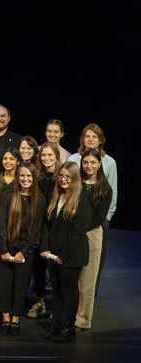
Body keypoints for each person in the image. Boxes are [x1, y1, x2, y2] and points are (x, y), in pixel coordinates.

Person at [40, 162, 91, 343]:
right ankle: (57, 325)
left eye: (67, 176)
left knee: (69, 293)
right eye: (61, 175)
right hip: (53, 255)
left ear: (75, 178)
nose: (63, 179)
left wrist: (63, 254)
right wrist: (45, 248)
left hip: (71, 256)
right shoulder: (55, 196)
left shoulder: (81, 200)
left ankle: (68, 328)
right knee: (57, 291)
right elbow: (47, 224)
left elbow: (78, 233)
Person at [0, 162, 46, 336]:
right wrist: (3, 250)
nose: (25, 179)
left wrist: (23, 252)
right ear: (17, 177)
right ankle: (6, 318)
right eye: (22, 175)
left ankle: (16, 319)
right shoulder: (7, 195)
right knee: (5, 285)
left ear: (34, 178)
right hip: (6, 247)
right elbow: (0, 225)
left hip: (25, 250)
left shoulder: (39, 199)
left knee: (20, 287)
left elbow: (36, 230)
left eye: (29, 176)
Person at [68, 123, 117, 297]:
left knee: (95, 263)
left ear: (100, 140)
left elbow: (112, 191)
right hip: (75, 219)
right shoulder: (73, 159)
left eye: (94, 136)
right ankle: (71, 301)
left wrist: (105, 219)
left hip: (99, 221)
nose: (90, 139)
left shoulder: (109, 162)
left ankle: (89, 300)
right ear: (82, 139)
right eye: (87, 136)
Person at [75, 150, 112, 330]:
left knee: (87, 280)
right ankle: (68, 313)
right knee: (71, 278)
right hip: (73, 234)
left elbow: (99, 218)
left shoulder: (105, 188)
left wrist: (80, 229)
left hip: (91, 234)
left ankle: (83, 319)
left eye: (93, 163)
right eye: (86, 162)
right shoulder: (77, 184)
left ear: (99, 165)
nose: (89, 166)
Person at [27, 141, 61, 319]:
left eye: (50, 155)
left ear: (56, 156)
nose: (47, 158)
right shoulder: (36, 176)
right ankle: (39, 302)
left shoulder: (62, 176)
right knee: (39, 268)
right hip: (39, 226)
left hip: (56, 228)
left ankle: (57, 307)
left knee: (56, 268)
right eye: (44, 155)